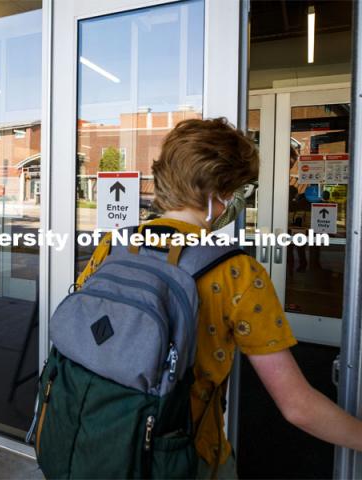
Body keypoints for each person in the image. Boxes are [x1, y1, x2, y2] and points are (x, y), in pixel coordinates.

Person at [77, 118, 362, 479]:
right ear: (219, 193)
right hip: (185, 456)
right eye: (240, 189)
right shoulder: (237, 271)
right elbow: (297, 406)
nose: (239, 199)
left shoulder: (113, 245)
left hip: (103, 437)